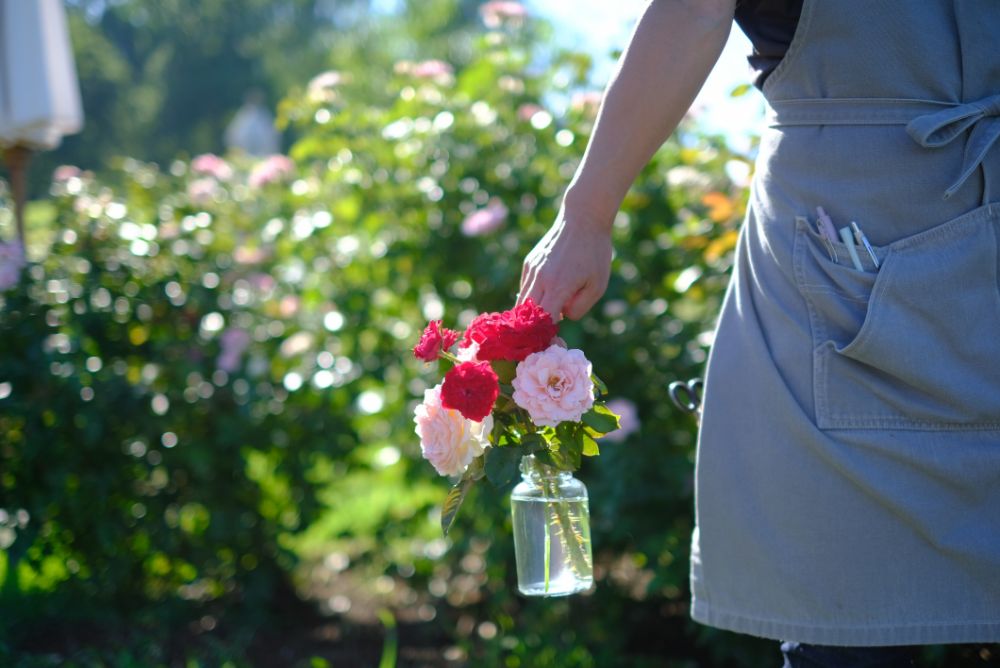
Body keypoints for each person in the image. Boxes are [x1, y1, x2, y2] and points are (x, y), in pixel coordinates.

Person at [517, 1, 1000, 665]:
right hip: (837, 263)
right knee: (841, 603)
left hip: (890, 236)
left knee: (845, 615)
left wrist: (589, 215)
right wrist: (586, 213)